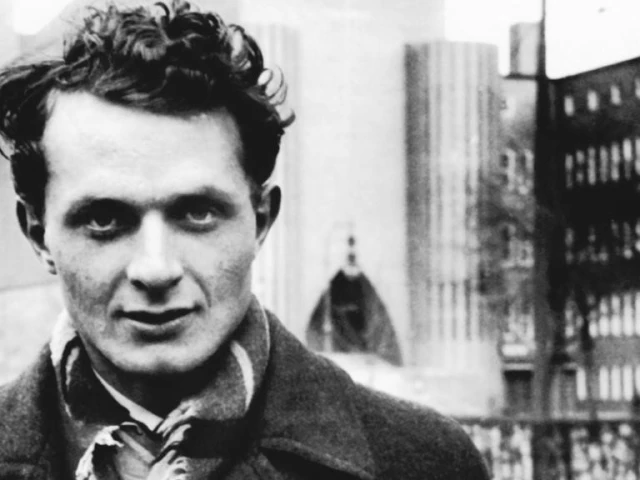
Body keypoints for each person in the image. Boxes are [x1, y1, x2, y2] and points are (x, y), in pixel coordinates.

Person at [0, 1, 490, 479]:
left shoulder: (424, 462)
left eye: (197, 213)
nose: (156, 268)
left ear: (261, 220)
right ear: (38, 235)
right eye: (105, 220)